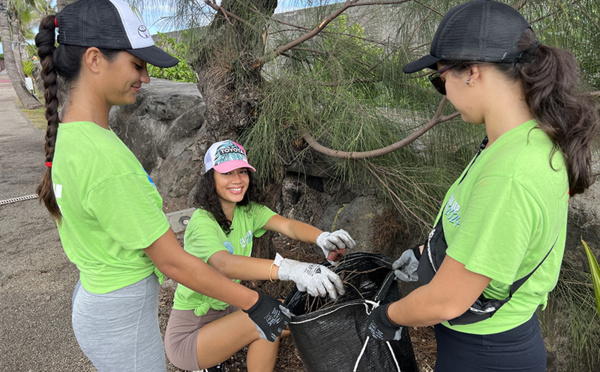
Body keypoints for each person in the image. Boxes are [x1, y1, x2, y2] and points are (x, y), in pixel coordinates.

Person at [34, 1, 290, 371]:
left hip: (96, 298)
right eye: (137, 64)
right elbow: (173, 262)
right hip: (123, 319)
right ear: (94, 59)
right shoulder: (105, 158)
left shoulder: (72, 138)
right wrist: (255, 303)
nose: (147, 78)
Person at [366, 1, 600, 371]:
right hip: (483, 342)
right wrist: (426, 253)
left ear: (471, 73)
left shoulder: (510, 174)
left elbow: (446, 302)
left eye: (439, 79)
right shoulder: (517, 139)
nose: (443, 91)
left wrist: (388, 316)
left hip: (486, 355)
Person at [164, 139, 356, 371]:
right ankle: (209, 362)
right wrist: (290, 269)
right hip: (189, 335)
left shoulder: (248, 211)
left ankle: (226, 356)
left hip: (229, 309)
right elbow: (224, 263)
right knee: (267, 316)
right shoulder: (201, 222)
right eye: (227, 172)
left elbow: (289, 226)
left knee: (288, 313)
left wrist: (322, 237)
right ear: (210, 178)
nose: (237, 180)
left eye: (242, 171)